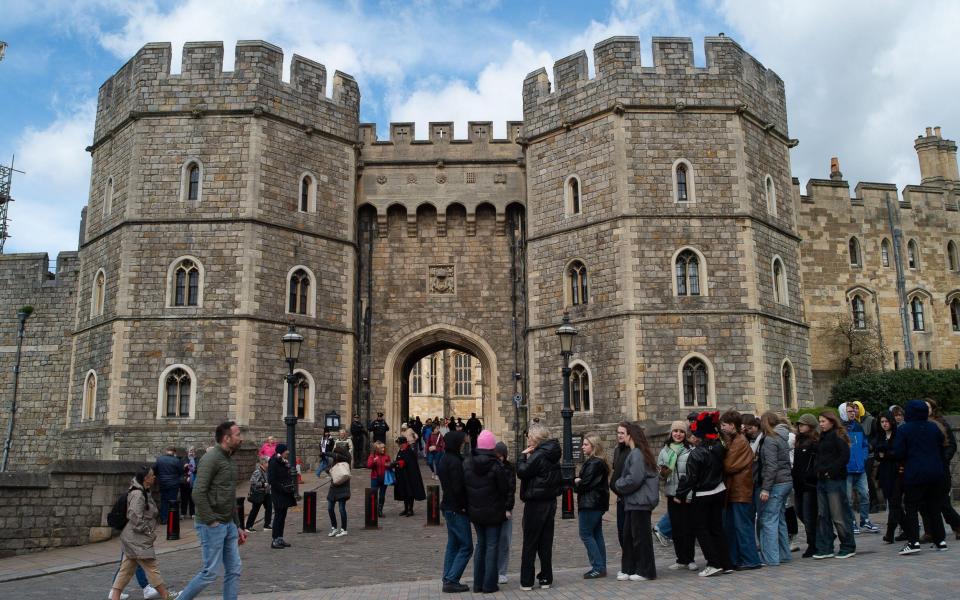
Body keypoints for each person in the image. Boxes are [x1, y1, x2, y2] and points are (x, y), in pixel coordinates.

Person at [179, 421, 247, 600]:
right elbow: (198, 492)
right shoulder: (211, 459)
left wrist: (237, 525)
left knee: (234, 570)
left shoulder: (230, 460)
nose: (241, 438)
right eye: (238, 434)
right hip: (212, 525)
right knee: (210, 572)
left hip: (229, 523)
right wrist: (212, 521)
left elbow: (229, 495)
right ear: (226, 438)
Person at [675, 411, 733, 577]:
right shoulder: (719, 446)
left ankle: (713, 563)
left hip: (703, 494)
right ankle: (725, 563)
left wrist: (680, 495)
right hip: (719, 490)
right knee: (717, 528)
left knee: (702, 529)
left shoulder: (697, 453)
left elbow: (691, 478)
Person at [109, 466, 179, 600]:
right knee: (151, 566)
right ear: (146, 479)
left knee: (126, 569)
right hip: (137, 538)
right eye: (152, 475)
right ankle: (166, 595)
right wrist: (147, 531)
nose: (154, 477)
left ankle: (115, 597)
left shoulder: (144, 491)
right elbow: (134, 516)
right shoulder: (138, 494)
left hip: (134, 538)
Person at [893, 399, 947, 554]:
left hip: (915, 473)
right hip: (935, 472)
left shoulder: (905, 430)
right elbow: (941, 444)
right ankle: (940, 540)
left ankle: (913, 541)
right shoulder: (933, 427)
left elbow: (899, 452)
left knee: (911, 507)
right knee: (934, 507)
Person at [517, 422, 562, 591]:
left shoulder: (539, 455)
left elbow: (522, 471)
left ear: (535, 437)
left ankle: (527, 581)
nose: (527, 439)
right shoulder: (553, 452)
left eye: (529, 436)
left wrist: (522, 456)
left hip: (535, 503)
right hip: (549, 502)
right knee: (545, 542)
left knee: (530, 542)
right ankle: (545, 578)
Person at [464, 430, 508, 594]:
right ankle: (489, 584)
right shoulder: (496, 465)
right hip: (494, 511)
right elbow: (504, 488)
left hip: (475, 511)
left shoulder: (468, 463)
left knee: (481, 545)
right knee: (491, 546)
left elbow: (464, 486)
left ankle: (478, 584)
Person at [614, 422, 659, 582]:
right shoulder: (635, 453)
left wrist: (619, 484)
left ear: (630, 435)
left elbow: (635, 478)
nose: (620, 436)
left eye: (622, 433)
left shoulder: (637, 454)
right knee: (628, 537)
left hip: (640, 502)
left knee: (640, 538)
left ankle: (645, 570)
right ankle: (629, 568)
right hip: (633, 502)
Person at [720, 410, 761, 569]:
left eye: (724, 425)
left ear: (732, 425)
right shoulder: (735, 440)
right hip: (734, 491)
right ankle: (736, 559)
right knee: (732, 527)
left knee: (742, 526)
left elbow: (729, 465)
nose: (722, 428)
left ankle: (751, 559)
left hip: (740, 490)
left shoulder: (739, 441)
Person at [812, 410, 856, 559]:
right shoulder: (822, 437)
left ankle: (848, 545)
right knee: (822, 515)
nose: (821, 424)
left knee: (839, 515)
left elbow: (844, 456)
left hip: (835, 480)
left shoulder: (837, 435)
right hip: (822, 480)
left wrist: (830, 471)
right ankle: (825, 546)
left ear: (831, 421)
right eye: (820, 421)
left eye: (823, 421)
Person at [658, 420, 696, 572]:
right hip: (671, 493)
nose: (678, 434)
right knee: (676, 527)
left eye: (681, 432)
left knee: (688, 527)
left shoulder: (690, 450)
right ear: (671, 433)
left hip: (686, 494)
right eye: (675, 431)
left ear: (685, 434)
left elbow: (693, 474)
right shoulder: (665, 451)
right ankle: (681, 559)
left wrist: (690, 494)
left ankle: (690, 559)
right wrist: (662, 473)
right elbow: (660, 475)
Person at [757, 411, 794, 566]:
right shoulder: (782, 436)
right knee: (779, 519)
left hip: (777, 483)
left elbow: (771, 466)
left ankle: (770, 557)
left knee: (768, 520)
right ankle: (784, 554)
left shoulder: (770, 439)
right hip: (785, 481)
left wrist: (766, 488)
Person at [437, 430, 471, 594]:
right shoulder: (455, 462)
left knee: (453, 544)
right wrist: (465, 506)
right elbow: (458, 488)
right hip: (457, 508)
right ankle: (451, 579)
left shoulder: (444, 459)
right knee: (466, 546)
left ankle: (447, 577)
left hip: (448, 507)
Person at [575, 433, 610, 578]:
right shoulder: (597, 462)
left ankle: (598, 567)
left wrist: (577, 482)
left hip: (591, 503)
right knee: (596, 534)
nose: (582, 447)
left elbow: (584, 485)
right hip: (596, 503)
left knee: (586, 534)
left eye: (586, 444)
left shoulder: (594, 463)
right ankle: (601, 566)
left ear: (594, 446)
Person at [924, 399, 960, 540]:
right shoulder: (919, 424)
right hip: (925, 469)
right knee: (925, 503)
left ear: (933, 408)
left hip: (940, 468)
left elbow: (951, 445)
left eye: (927, 407)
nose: (925, 410)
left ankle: (957, 524)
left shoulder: (941, 424)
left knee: (943, 502)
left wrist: (943, 459)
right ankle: (930, 531)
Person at [842, 402, 879, 534]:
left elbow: (864, 444)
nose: (852, 413)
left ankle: (865, 520)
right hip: (847, 470)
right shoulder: (840, 429)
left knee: (865, 495)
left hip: (860, 468)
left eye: (853, 411)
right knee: (848, 499)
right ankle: (851, 521)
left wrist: (863, 458)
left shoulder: (858, 426)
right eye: (849, 411)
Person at [792, 413, 820, 557]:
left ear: (810, 425)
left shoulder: (814, 442)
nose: (800, 427)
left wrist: (810, 476)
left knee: (809, 515)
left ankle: (813, 543)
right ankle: (819, 536)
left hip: (809, 484)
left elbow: (815, 463)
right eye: (799, 425)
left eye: (802, 424)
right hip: (799, 483)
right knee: (800, 512)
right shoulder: (799, 440)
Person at [874, 411, 903, 544]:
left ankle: (890, 532)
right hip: (885, 472)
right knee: (893, 504)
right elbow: (876, 454)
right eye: (882, 422)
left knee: (894, 503)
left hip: (897, 472)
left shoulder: (898, 434)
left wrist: (885, 454)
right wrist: (885, 453)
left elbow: (897, 453)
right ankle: (908, 529)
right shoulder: (881, 436)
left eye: (886, 421)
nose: (884, 424)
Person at [494, 441, 516, 585]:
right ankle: (491, 570)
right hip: (492, 509)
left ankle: (502, 571)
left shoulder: (509, 468)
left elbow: (511, 490)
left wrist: (507, 508)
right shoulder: (491, 467)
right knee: (491, 542)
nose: (500, 459)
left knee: (504, 542)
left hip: (505, 509)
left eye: (502, 456)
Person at [268, 443, 296, 549]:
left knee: (282, 516)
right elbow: (271, 479)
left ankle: (280, 538)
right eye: (286, 450)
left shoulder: (282, 461)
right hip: (278, 493)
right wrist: (282, 488)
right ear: (281, 451)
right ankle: (274, 540)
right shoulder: (274, 462)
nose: (288, 452)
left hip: (285, 493)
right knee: (278, 516)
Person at [394, 435, 426, 515]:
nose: (398, 445)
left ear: (403, 443)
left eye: (399, 443)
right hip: (402, 476)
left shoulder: (409, 451)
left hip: (409, 476)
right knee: (404, 492)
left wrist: (399, 463)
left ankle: (410, 509)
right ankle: (405, 509)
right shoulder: (401, 450)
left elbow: (410, 464)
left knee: (410, 492)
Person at [609, 423, 629, 548]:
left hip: (629, 496)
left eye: (623, 433)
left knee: (629, 532)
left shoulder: (632, 451)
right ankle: (627, 563)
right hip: (620, 496)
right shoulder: (617, 450)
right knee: (621, 531)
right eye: (618, 433)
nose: (620, 435)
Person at [326, 449, 351, 538]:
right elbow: (328, 470)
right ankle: (334, 527)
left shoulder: (346, 460)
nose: (334, 455)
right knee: (330, 508)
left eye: (335, 453)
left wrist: (327, 452)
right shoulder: (334, 462)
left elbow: (338, 456)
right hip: (333, 488)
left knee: (341, 509)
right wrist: (329, 468)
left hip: (343, 488)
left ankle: (344, 529)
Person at [154, 446, 182, 525]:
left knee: (164, 501)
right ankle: (171, 519)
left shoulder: (159, 459)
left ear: (166, 451)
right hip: (174, 483)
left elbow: (154, 469)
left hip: (163, 483)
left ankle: (164, 519)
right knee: (172, 501)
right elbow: (181, 472)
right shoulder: (177, 460)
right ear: (174, 452)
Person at [245, 456, 271, 532]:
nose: (270, 464)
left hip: (266, 493)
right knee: (255, 510)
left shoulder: (267, 471)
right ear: (264, 463)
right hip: (259, 493)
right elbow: (253, 482)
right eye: (268, 462)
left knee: (269, 508)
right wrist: (263, 484)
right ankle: (248, 526)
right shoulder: (258, 471)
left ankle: (267, 525)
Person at [366, 441, 391, 517]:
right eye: (381, 448)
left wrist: (389, 465)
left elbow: (389, 465)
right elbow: (369, 466)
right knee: (373, 494)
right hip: (375, 478)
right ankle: (373, 510)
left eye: (384, 447)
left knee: (382, 495)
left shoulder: (386, 456)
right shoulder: (372, 456)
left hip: (384, 478)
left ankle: (380, 510)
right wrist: (374, 461)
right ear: (377, 449)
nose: (383, 449)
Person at [180, 448, 197, 519]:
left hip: (194, 481)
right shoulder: (183, 459)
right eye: (190, 451)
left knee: (192, 498)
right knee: (184, 498)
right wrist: (184, 467)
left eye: (192, 451)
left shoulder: (197, 459)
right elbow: (179, 470)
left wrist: (194, 469)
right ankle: (183, 513)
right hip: (185, 481)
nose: (191, 453)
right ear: (187, 452)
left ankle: (192, 513)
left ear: (195, 452)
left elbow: (200, 468)